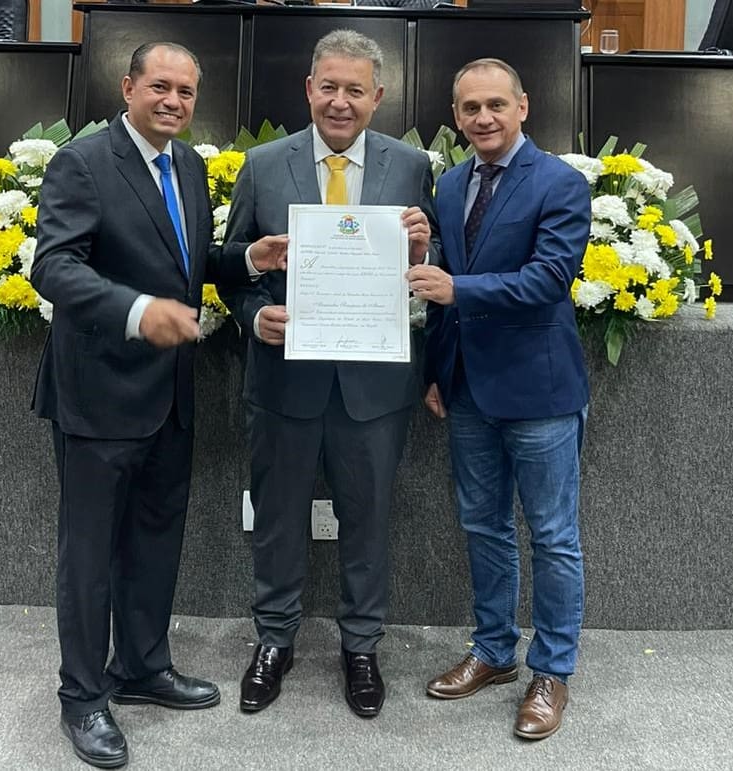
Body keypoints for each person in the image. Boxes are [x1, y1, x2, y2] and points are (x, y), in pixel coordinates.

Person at [31, 42, 286, 768]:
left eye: (185, 91)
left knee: (153, 538)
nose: (173, 101)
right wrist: (138, 310)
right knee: (89, 555)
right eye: (160, 87)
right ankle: (82, 697)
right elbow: (54, 265)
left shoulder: (191, 165)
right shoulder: (82, 163)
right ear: (129, 87)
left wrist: (245, 259)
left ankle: (140, 666)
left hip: (169, 393)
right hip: (98, 392)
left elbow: (181, 257)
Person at [218, 29, 439, 719]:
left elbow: (428, 271)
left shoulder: (411, 167)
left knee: (367, 518)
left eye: (355, 90)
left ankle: (362, 645)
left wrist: (424, 245)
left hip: (374, 387)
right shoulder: (262, 164)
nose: (339, 102)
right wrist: (255, 318)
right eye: (328, 87)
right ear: (308, 89)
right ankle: (274, 639)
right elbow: (233, 267)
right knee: (278, 517)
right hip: (284, 378)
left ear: (377, 96)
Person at [407, 58, 591, 740]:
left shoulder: (561, 183)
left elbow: (548, 279)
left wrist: (460, 290)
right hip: (467, 390)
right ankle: (492, 651)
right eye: (469, 108)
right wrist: (435, 370)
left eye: (495, 105)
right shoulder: (451, 185)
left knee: (552, 535)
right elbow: (439, 285)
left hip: (539, 391)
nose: (482, 118)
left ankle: (552, 670)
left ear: (523, 107)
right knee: (483, 526)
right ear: (455, 117)